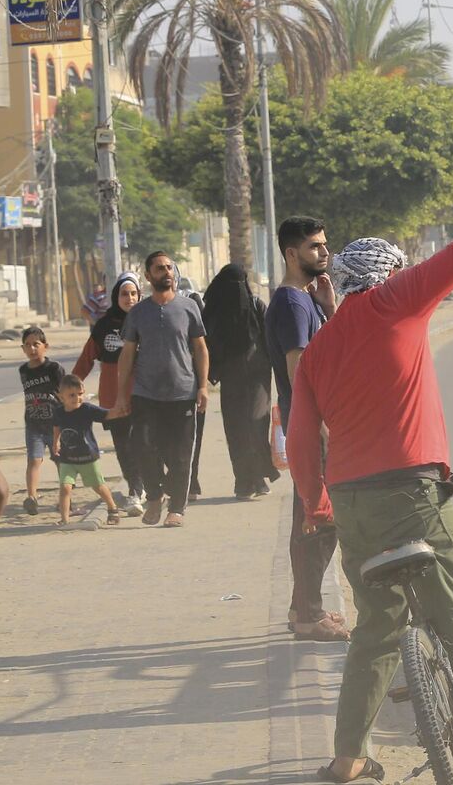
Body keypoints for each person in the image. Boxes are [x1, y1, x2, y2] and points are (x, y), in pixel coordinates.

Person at [288, 133, 453, 785]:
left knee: (375, 631)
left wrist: (315, 504)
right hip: (415, 493)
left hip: (352, 505)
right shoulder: (398, 302)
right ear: (389, 276)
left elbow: (301, 438)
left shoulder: (321, 350)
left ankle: (348, 759)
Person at [267, 216, 349, 643]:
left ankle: (303, 607)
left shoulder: (307, 299)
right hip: (310, 423)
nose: (324, 252)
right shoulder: (292, 304)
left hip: (313, 422)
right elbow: (301, 371)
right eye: (315, 247)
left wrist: (330, 307)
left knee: (312, 517)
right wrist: (323, 428)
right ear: (291, 253)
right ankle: (308, 614)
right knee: (319, 519)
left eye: (325, 244)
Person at [113, 251, 210, 528]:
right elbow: (127, 354)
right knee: (142, 445)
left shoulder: (188, 307)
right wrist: (122, 395)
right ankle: (154, 496)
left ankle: (176, 508)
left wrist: (202, 386)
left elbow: (200, 348)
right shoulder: (138, 313)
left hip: (182, 393)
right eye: (159, 268)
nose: (166, 272)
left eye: (169, 267)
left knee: (180, 455)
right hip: (146, 393)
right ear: (148, 276)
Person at [202, 265, 278, 501]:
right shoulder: (214, 313)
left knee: (256, 424)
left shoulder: (256, 307)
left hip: (258, 378)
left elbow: (271, 340)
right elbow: (204, 344)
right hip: (231, 379)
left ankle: (259, 475)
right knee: (236, 430)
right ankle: (244, 481)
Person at [73, 273, 146, 516]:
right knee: (123, 446)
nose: (130, 298)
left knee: (142, 443)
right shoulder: (104, 326)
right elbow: (86, 358)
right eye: (125, 294)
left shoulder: (147, 320)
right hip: (112, 397)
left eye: (134, 293)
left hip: (143, 395)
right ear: (116, 296)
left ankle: (141, 487)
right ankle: (136, 489)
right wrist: (70, 387)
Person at [50, 374, 121, 527]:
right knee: (65, 487)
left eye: (80, 394)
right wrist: (55, 443)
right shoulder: (58, 412)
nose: (77, 398)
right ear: (61, 396)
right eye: (71, 395)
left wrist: (122, 410)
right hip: (67, 458)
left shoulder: (87, 409)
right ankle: (64, 519)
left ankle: (112, 508)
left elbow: (107, 414)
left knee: (98, 486)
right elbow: (56, 427)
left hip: (88, 457)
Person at [18, 325, 67, 515]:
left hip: (55, 425)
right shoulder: (23, 371)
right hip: (33, 424)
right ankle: (32, 497)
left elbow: (64, 394)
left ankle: (65, 497)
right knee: (33, 460)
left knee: (60, 461)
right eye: (27, 345)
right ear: (23, 348)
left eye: (36, 344)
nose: (32, 349)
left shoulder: (54, 369)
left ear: (45, 346)